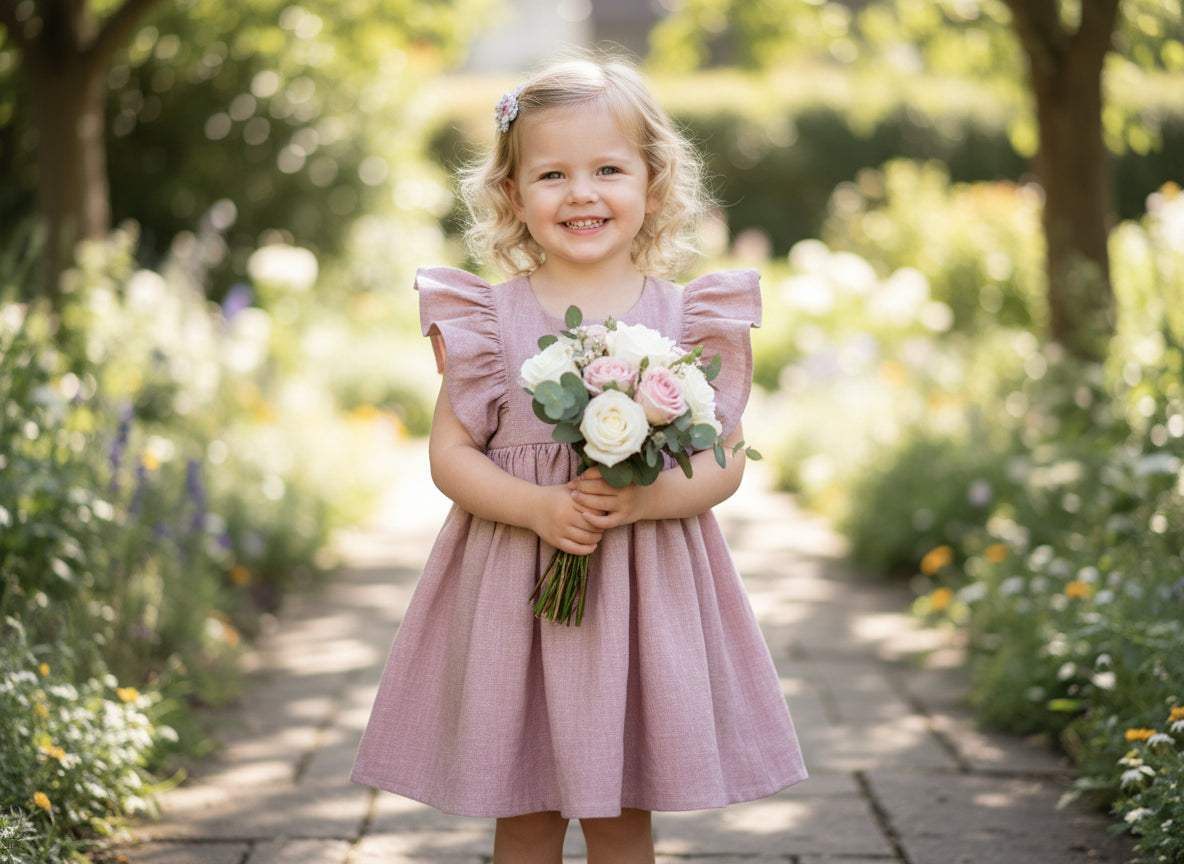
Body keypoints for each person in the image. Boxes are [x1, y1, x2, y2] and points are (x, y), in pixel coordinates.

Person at [350, 49, 807, 864]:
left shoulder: (688, 319)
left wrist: (644, 499)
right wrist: (535, 506)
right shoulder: (487, 322)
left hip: (641, 598)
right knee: (524, 807)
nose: (582, 193)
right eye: (552, 174)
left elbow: (726, 460)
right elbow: (450, 454)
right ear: (513, 195)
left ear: (653, 185)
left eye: (607, 169)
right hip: (518, 599)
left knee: (623, 812)